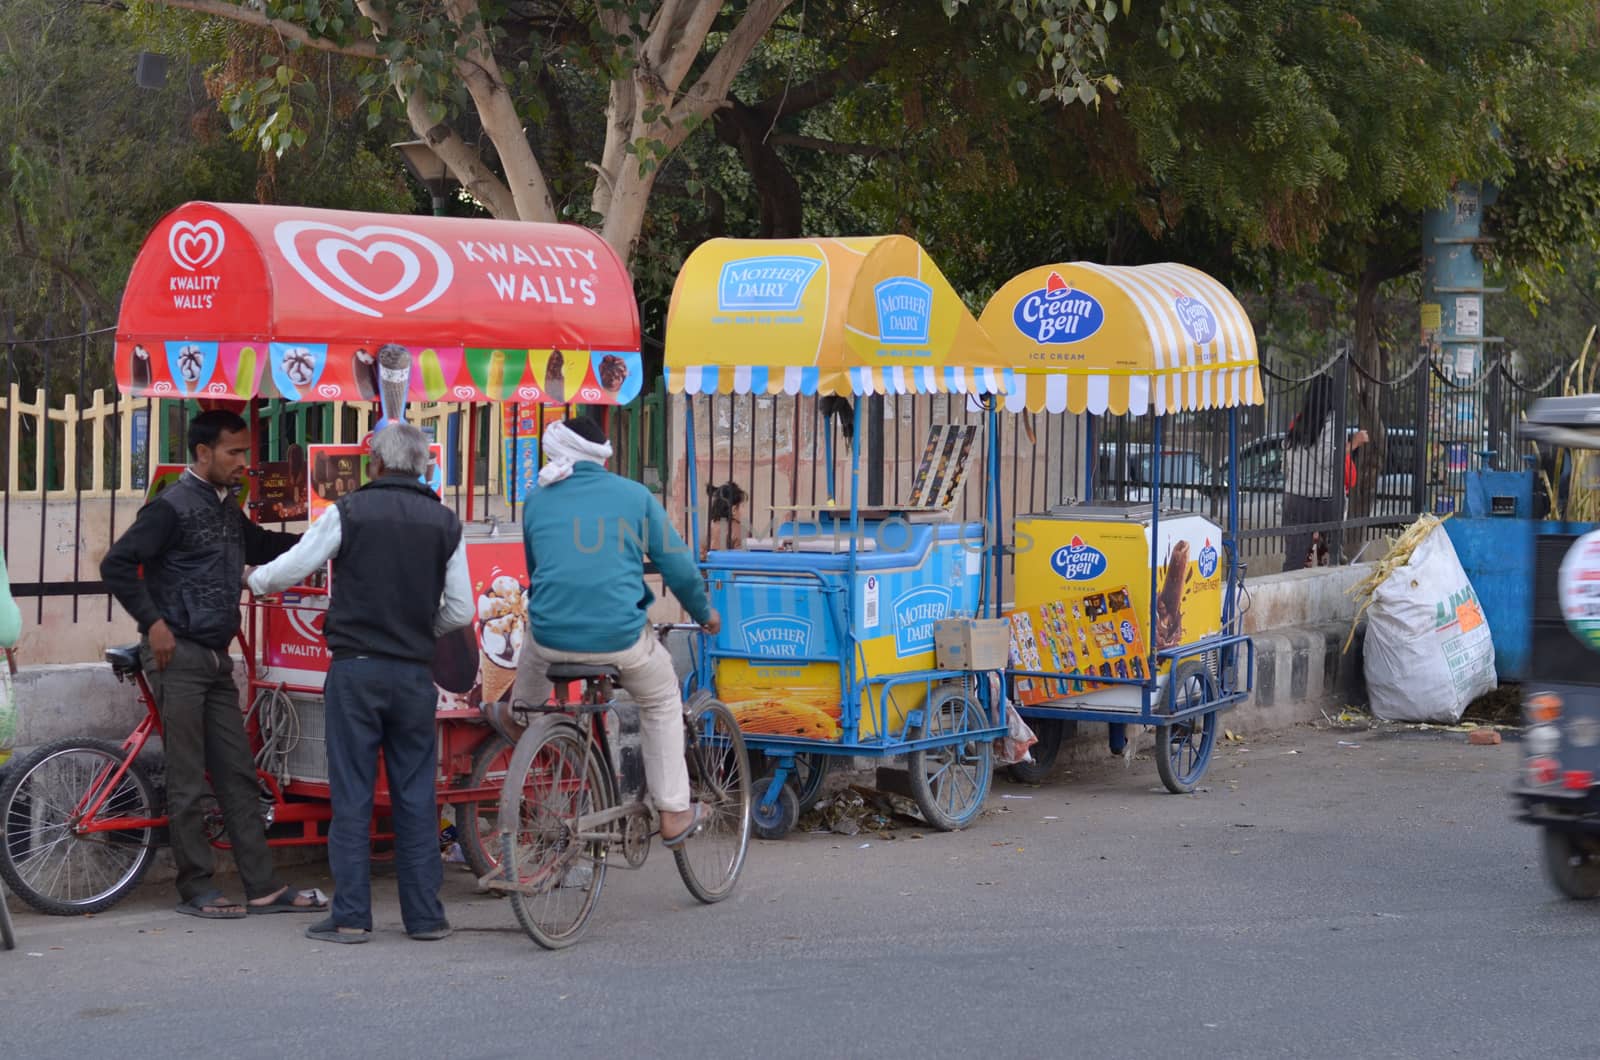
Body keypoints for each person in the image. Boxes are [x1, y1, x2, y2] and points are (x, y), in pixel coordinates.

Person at [248, 424, 472, 944]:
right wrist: (419, 633)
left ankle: (350, 916)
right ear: (423, 467)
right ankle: (425, 917)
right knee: (416, 794)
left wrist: (252, 580)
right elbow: (460, 609)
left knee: (351, 792)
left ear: (374, 464)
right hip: (414, 674)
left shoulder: (347, 513)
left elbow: (291, 568)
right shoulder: (445, 521)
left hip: (355, 671)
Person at [101, 409, 324, 919]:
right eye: (235, 452)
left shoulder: (225, 507)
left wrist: (325, 539)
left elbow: (265, 547)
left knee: (237, 774)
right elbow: (116, 563)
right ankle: (196, 888)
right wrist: (153, 623)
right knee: (186, 777)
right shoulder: (170, 507)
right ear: (203, 453)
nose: (244, 462)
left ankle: (263, 887)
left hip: (215, 659)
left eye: (245, 452)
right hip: (176, 655)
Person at [510, 417, 720, 847]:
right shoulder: (634, 496)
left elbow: (538, 575)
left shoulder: (536, 500)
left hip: (552, 638)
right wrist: (703, 613)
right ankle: (675, 809)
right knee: (661, 699)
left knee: (538, 632)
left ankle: (523, 718)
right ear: (602, 453)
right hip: (619, 639)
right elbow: (677, 567)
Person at [1281, 376, 1344, 572]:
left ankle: (1287, 600)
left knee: (1294, 559)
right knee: (1331, 558)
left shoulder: (1299, 421)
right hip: (1325, 501)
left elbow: (1286, 465)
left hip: (1294, 498)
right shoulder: (1332, 421)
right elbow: (1328, 459)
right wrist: (1350, 447)